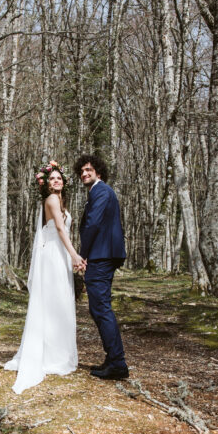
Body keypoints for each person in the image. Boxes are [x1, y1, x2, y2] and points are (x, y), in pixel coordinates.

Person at [5, 162, 82, 394]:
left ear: (64, 182)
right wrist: (75, 255)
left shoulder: (60, 201)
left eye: (59, 178)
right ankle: (49, 357)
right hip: (53, 257)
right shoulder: (51, 200)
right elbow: (59, 229)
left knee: (60, 302)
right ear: (46, 184)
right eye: (52, 179)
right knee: (53, 302)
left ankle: (56, 353)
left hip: (59, 255)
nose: (56, 181)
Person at [75, 155, 128, 380]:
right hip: (103, 255)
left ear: (98, 171)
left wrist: (82, 255)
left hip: (101, 255)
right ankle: (113, 359)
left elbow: (93, 223)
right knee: (99, 308)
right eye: (82, 171)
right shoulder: (97, 192)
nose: (85, 174)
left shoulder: (101, 191)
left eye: (88, 170)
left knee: (101, 308)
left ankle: (117, 363)